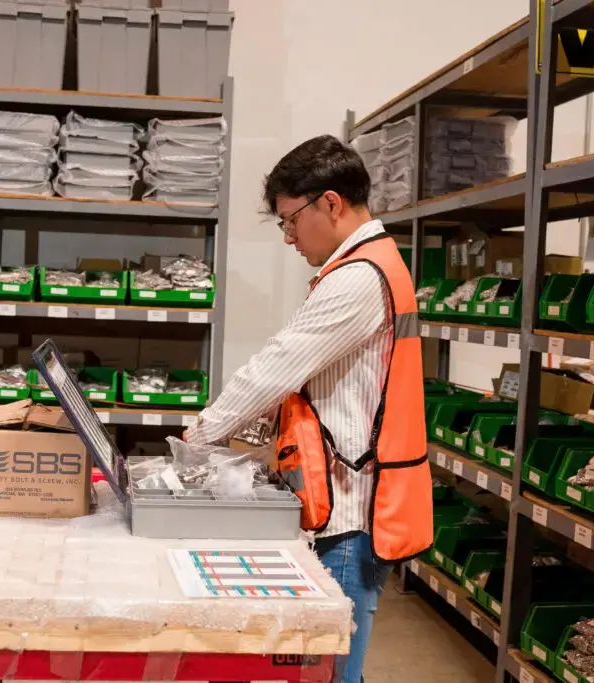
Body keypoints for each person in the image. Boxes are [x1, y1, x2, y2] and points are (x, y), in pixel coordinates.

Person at [184, 134, 433, 683]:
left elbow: (276, 366)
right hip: (348, 501)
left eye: (291, 220)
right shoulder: (373, 265)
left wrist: (198, 439)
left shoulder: (360, 280)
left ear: (331, 203)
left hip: (348, 517)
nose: (290, 236)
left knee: (329, 673)